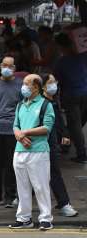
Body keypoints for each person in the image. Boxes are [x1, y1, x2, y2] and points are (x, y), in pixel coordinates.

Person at [9, 74, 55, 231]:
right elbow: (15, 126)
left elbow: (47, 127)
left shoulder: (45, 104)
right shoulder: (20, 105)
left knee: (41, 186)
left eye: (27, 84)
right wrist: (20, 136)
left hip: (38, 151)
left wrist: (25, 132)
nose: (23, 86)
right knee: (22, 187)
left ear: (36, 87)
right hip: (19, 151)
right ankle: (23, 218)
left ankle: (46, 219)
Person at [40, 73, 78, 217]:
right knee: (48, 174)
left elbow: (59, 120)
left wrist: (65, 134)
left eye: (54, 81)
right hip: (43, 144)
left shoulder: (53, 101)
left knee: (53, 173)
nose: (53, 84)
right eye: (50, 82)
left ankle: (63, 203)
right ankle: (63, 204)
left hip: (52, 143)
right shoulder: (41, 103)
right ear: (43, 86)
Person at [0, 57, 22, 208]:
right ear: (0, 66)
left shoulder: (20, 84)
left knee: (11, 165)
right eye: (4, 65)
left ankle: (10, 196)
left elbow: (23, 106)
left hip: (13, 130)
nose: (7, 68)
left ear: (14, 68)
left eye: (10, 66)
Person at [54, 33, 87, 164]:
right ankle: (66, 145)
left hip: (71, 96)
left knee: (74, 126)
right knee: (75, 125)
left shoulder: (62, 62)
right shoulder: (83, 56)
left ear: (61, 47)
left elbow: (56, 80)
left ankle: (81, 153)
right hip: (85, 93)